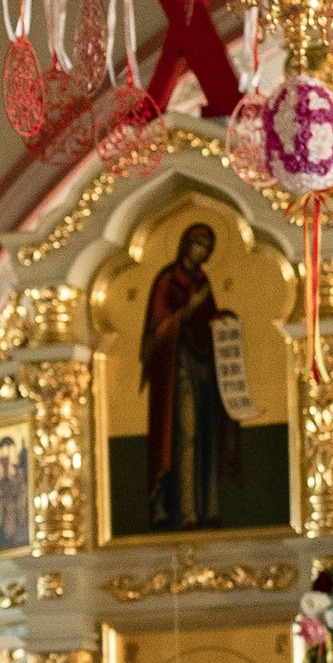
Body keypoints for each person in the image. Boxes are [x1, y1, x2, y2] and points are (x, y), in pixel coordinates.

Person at [139, 223, 239, 527]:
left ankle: (207, 509)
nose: (202, 252)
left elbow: (207, 321)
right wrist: (187, 310)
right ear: (185, 244)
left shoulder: (202, 280)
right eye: (198, 244)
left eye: (207, 248)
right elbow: (157, 328)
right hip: (176, 366)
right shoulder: (167, 281)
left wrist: (222, 320)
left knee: (207, 435)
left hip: (203, 364)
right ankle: (185, 512)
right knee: (186, 434)